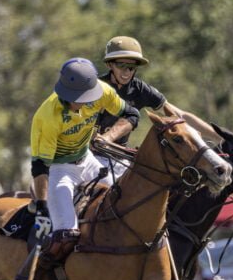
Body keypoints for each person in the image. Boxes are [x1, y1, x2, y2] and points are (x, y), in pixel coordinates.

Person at [7, 57, 140, 280]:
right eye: (75, 96)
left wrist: (109, 136)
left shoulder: (102, 93)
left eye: (85, 95)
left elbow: (131, 114)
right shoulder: (47, 116)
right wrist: (43, 206)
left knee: (125, 206)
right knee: (65, 232)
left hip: (89, 160)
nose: (81, 101)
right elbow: (40, 167)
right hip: (59, 169)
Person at [94, 36, 224, 178]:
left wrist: (220, 136)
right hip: (87, 156)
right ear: (109, 65)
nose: (127, 72)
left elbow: (181, 117)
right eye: (121, 66)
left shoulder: (140, 89)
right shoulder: (95, 87)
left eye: (131, 67)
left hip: (118, 159)